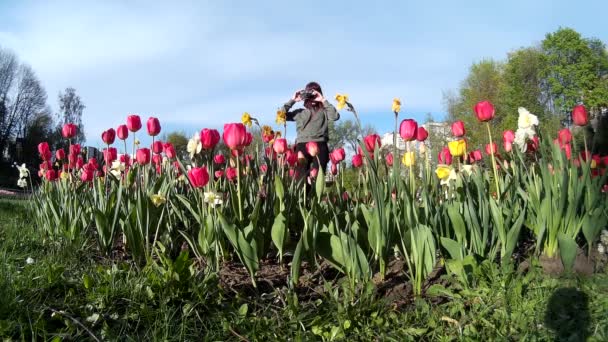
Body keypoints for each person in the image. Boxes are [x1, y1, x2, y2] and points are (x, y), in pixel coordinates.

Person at [280, 82, 340, 178]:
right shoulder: (300, 113)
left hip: (320, 144)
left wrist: (323, 100)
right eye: (310, 94)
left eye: (315, 93)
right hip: (302, 145)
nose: (312, 96)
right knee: (301, 179)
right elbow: (281, 115)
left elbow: (335, 116)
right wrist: (293, 100)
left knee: (318, 177)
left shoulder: (324, 112)